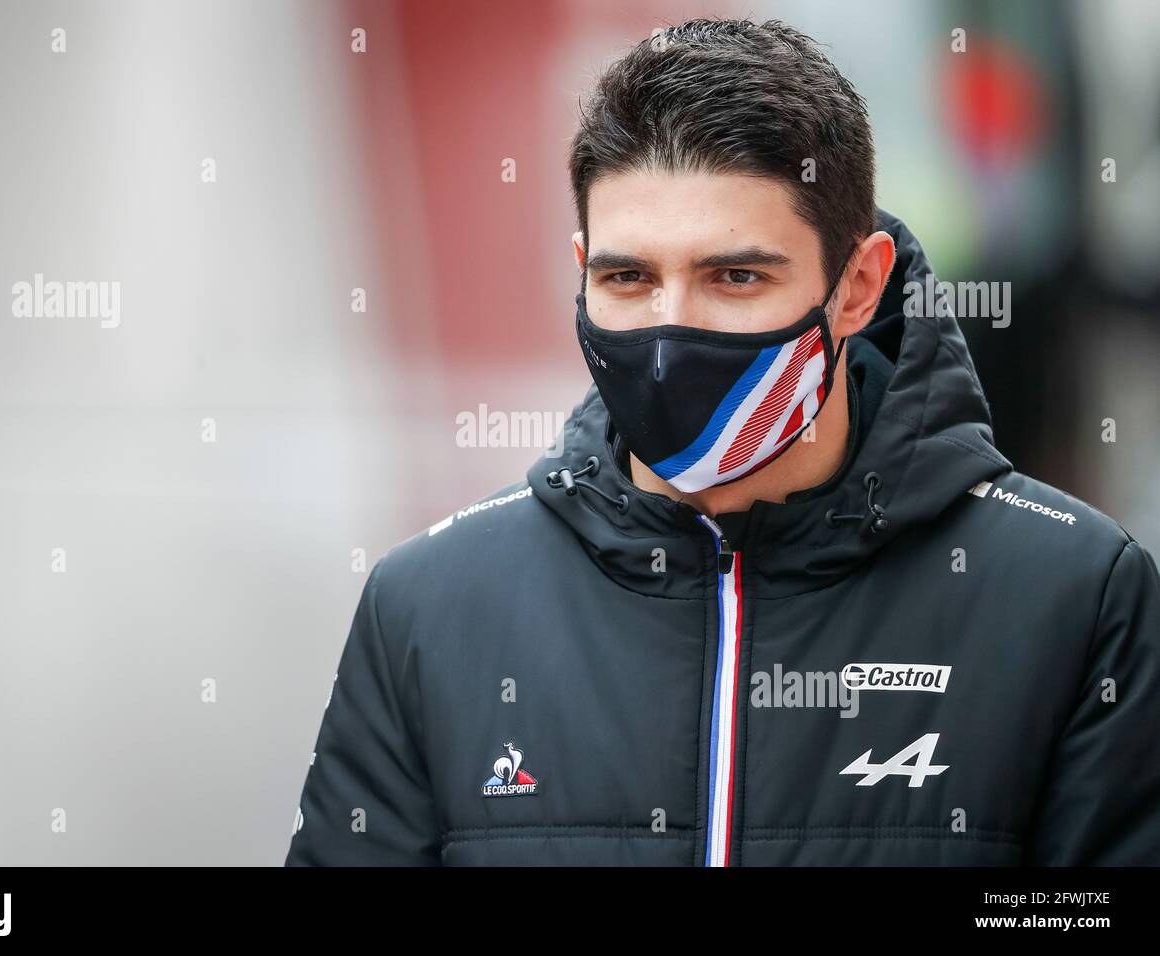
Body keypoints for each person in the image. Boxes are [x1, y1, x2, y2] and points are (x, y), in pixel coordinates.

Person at [285, 17, 1160, 866]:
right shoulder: (430, 610)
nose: (669, 335)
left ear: (857, 289)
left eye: (735, 276)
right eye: (627, 277)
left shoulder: (1073, 598)